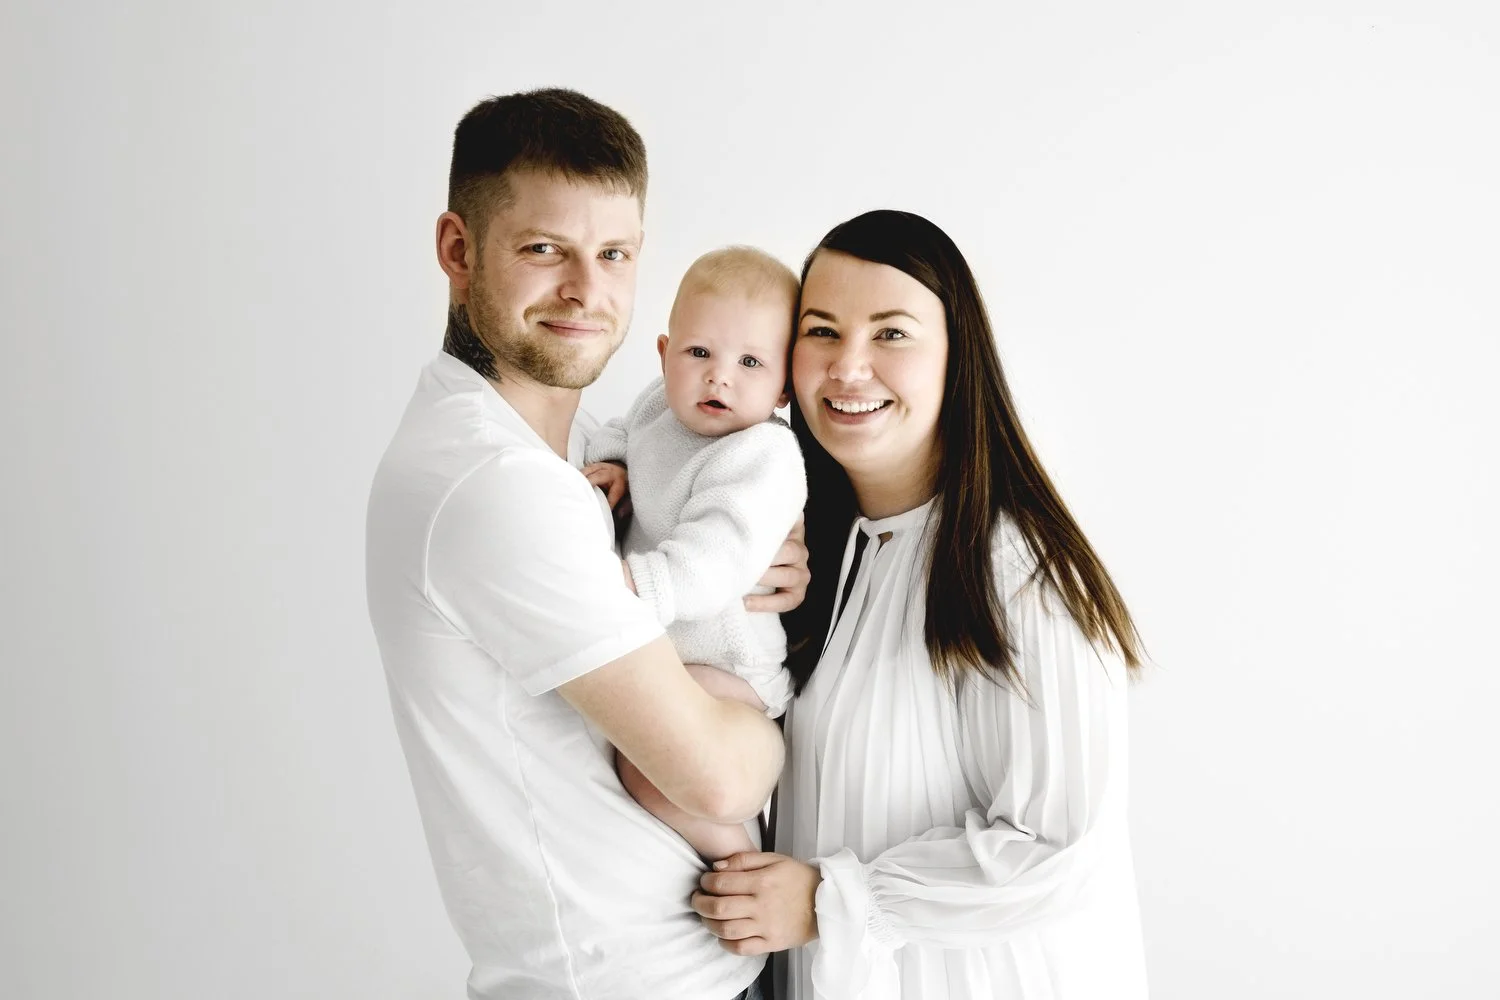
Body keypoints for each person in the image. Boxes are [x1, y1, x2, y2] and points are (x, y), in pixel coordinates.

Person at [365, 88, 806, 1000]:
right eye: (543, 250)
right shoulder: (496, 486)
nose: (585, 291)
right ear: (457, 250)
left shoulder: (574, 451)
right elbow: (719, 778)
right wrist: (767, 735)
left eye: (613, 254)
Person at [690, 210, 1150, 999]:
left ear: (955, 357)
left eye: (891, 334)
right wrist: (621, 475)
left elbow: (1061, 850)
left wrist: (831, 900)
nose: (848, 367)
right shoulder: (820, 553)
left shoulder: (1016, 570)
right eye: (822, 331)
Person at [582, 246, 807, 861]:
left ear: (785, 385)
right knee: (635, 758)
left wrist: (629, 587)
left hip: (730, 670)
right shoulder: (661, 405)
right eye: (699, 352)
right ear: (664, 354)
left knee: (648, 769)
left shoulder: (763, 456)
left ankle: (737, 855)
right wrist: (612, 464)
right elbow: (625, 430)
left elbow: (718, 562)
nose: (719, 376)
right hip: (677, 650)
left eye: (751, 362)